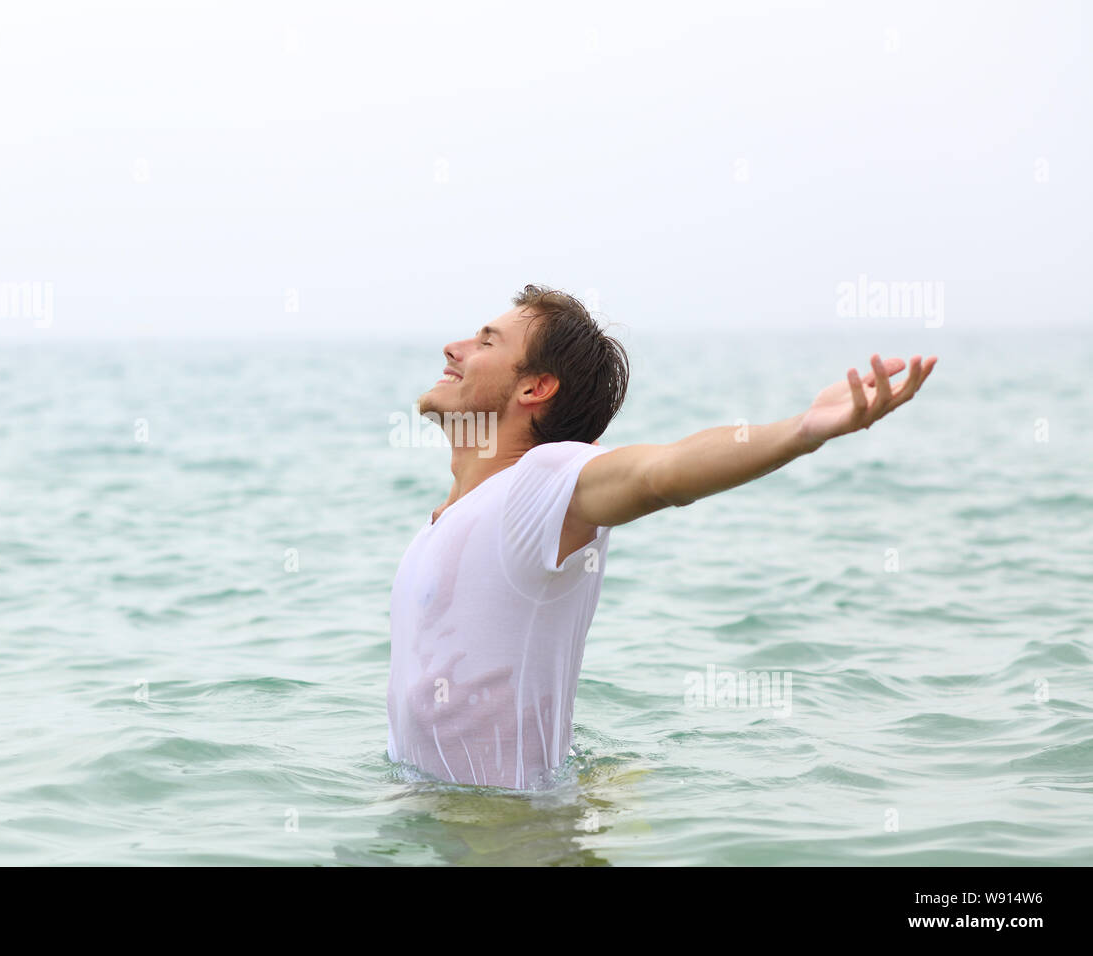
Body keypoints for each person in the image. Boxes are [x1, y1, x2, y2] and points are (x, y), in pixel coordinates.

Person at [386, 283, 937, 789]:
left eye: (485, 342)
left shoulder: (540, 483)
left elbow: (662, 474)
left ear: (535, 386)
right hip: (438, 820)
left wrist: (800, 431)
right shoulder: (447, 518)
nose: (452, 349)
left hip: (509, 839)